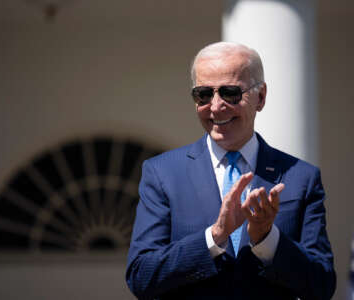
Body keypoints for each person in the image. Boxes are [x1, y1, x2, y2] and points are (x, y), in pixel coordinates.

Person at [125, 42, 336, 300]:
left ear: (260, 97)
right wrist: (215, 236)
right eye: (203, 94)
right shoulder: (162, 173)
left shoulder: (300, 177)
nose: (215, 106)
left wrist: (267, 239)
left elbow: (322, 285)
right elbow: (141, 276)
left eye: (230, 93)